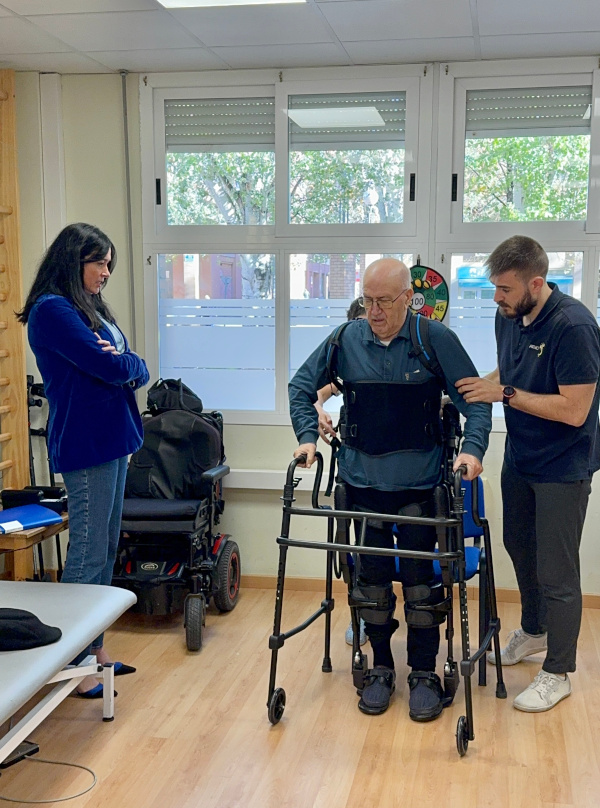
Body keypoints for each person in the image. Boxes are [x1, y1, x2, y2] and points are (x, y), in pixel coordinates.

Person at [289, 258, 491, 721]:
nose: (374, 311)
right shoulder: (345, 340)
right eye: (367, 301)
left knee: (422, 586)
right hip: (362, 487)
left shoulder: (434, 340)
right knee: (372, 581)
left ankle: (423, 672)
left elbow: (476, 402)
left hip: (420, 487)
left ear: (408, 298)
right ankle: (380, 668)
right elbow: (301, 386)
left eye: (383, 301)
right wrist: (306, 434)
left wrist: (472, 450)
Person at [457, 236, 600, 713]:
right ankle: (535, 630)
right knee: (519, 544)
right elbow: (511, 368)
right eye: (494, 287)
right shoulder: (510, 317)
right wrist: (484, 386)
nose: (496, 298)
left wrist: (506, 395)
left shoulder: (574, 326)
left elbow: (575, 410)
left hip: (564, 465)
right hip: (521, 455)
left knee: (558, 570)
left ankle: (558, 672)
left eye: (503, 289)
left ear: (535, 283)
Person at [18, 223, 149, 698]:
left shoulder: (87, 307)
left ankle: (95, 652)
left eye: (110, 264)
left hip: (114, 438)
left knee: (107, 548)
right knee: (88, 550)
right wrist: (128, 365)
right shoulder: (52, 311)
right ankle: (71, 664)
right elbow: (116, 366)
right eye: (100, 263)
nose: (106, 273)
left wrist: (129, 365)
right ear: (75, 261)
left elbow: (132, 364)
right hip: (86, 442)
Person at [312, 298, 369, 647]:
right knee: (356, 548)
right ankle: (361, 614)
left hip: (404, 474)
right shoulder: (348, 367)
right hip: (356, 470)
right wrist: (319, 413)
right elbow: (311, 393)